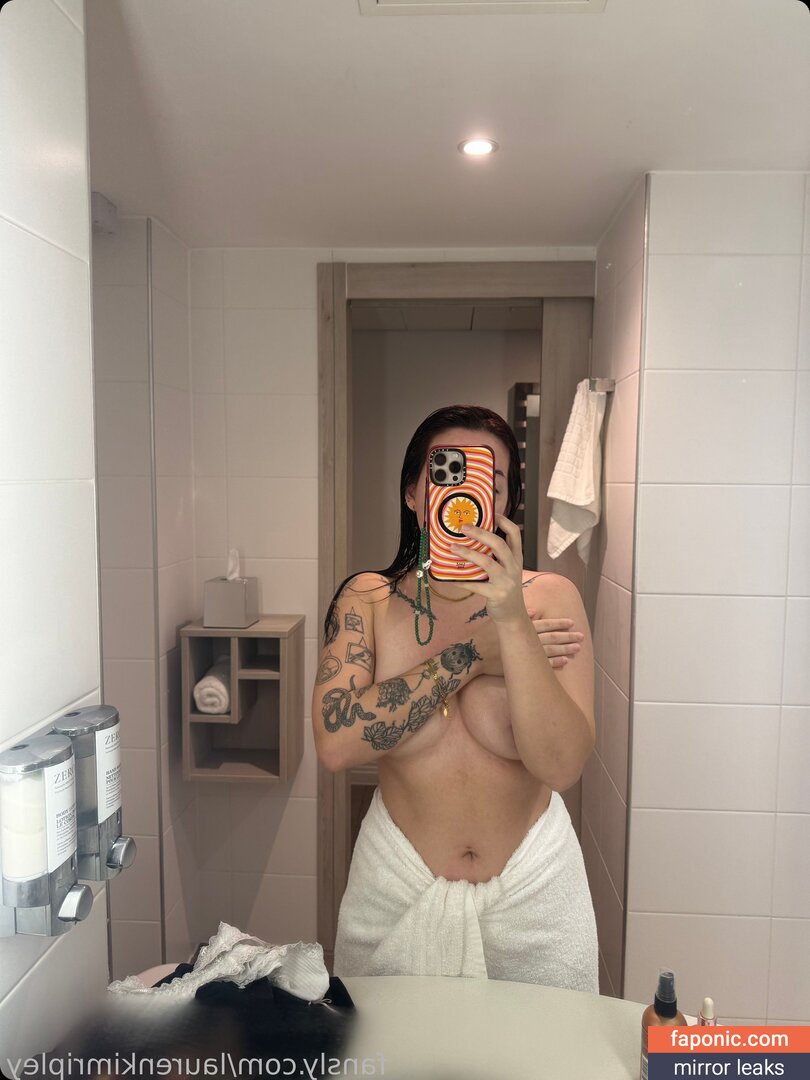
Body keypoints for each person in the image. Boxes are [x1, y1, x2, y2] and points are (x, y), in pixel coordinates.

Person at [312, 405, 598, 992]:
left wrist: (511, 621)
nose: (466, 497)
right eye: (446, 474)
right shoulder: (369, 601)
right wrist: (469, 656)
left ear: (508, 503)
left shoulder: (549, 600)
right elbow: (337, 744)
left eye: (490, 482)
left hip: (534, 899)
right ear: (413, 494)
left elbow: (562, 765)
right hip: (396, 892)